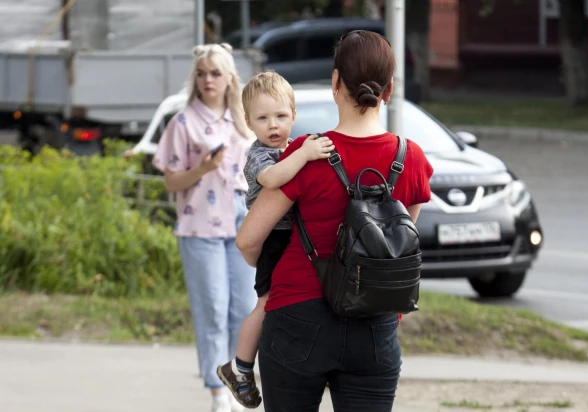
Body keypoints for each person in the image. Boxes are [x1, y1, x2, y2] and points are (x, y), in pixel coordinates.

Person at [235, 30, 434, 412]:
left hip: (297, 316)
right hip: (374, 324)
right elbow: (402, 249)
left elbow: (248, 240)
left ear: (335, 83)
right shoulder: (412, 159)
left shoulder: (307, 154)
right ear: (388, 89)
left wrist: (265, 270)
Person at [217, 71, 334, 408]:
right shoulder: (259, 155)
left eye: (281, 116)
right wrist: (304, 154)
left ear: (293, 116)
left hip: (293, 234)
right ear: (249, 123)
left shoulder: (291, 149)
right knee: (266, 303)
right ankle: (239, 368)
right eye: (263, 118)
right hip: (272, 236)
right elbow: (272, 180)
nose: (273, 125)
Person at [152, 43, 256, 412]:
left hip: (242, 226)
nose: (208, 79)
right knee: (212, 308)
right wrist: (203, 170)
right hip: (199, 228)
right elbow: (170, 182)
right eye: (201, 73)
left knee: (243, 308)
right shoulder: (183, 123)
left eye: (215, 72)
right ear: (194, 79)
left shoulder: (243, 120)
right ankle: (216, 390)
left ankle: (235, 380)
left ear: (229, 77)